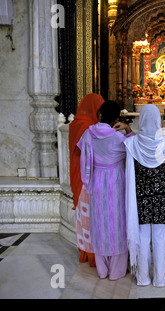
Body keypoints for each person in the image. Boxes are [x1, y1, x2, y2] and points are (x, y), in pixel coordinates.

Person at [77, 100, 134, 280]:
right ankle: (116, 271)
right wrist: (128, 130)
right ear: (116, 117)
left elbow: (83, 151)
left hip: (97, 181)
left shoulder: (88, 133)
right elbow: (135, 149)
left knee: (100, 223)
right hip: (115, 181)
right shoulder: (117, 137)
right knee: (116, 223)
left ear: (100, 114)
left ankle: (102, 270)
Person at [124, 104, 165, 287]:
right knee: (159, 238)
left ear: (142, 119)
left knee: (143, 238)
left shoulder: (132, 143)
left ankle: (143, 278)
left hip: (141, 197)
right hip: (161, 195)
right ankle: (160, 279)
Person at [69, 93, 105, 267]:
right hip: (87, 179)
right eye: (98, 110)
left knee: (83, 218)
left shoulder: (75, 124)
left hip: (77, 175)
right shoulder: (89, 128)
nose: (99, 114)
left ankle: (84, 253)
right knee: (90, 218)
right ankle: (92, 256)